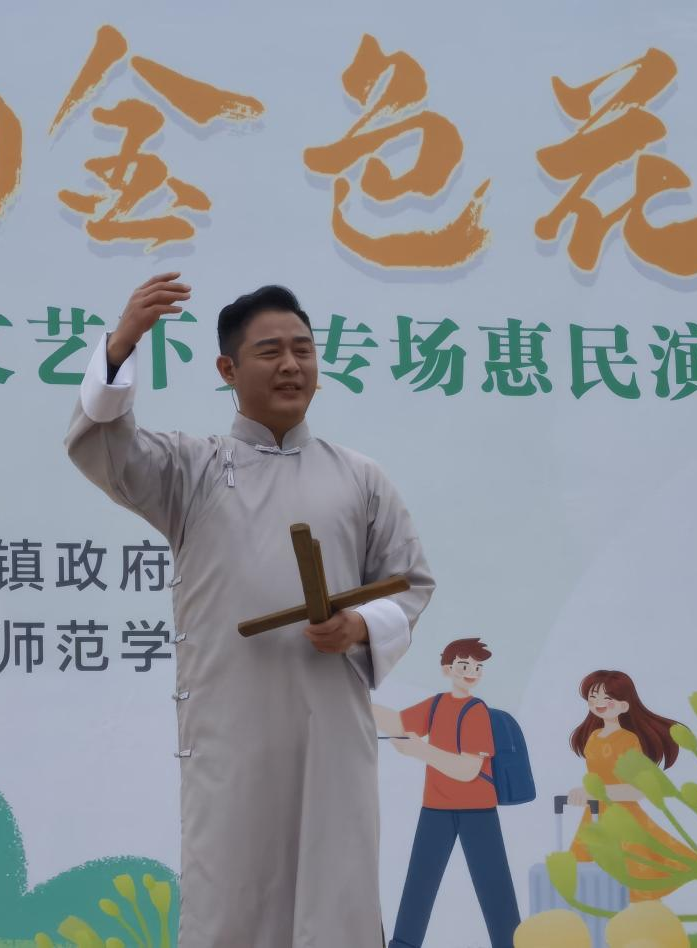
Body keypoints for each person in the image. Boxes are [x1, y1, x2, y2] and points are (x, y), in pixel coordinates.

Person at [64, 274, 436, 948]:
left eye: (303, 349)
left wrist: (358, 625)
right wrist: (121, 346)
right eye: (270, 351)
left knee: (336, 897)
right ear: (227, 370)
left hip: (332, 734)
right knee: (233, 902)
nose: (292, 365)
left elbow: (409, 582)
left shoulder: (361, 478)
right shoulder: (192, 469)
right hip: (230, 737)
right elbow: (105, 450)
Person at [372, 637, 521, 948]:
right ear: (447, 669)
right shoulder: (437, 704)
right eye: (464, 665)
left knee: (493, 886)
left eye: (477, 667)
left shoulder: (476, 712)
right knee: (420, 881)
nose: (471, 672)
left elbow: (467, 770)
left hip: (477, 811)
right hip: (436, 807)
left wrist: (420, 750)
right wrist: (359, 703)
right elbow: (398, 723)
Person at [566, 669, 696, 902]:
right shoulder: (593, 738)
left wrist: (595, 792)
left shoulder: (628, 740)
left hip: (623, 817)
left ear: (624, 705)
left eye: (607, 698)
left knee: (633, 877)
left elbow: (637, 791)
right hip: (594, 815)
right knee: (586, 877)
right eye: (593, 697)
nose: (599, 703)